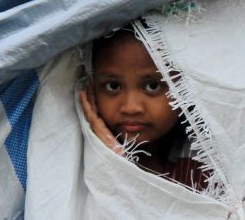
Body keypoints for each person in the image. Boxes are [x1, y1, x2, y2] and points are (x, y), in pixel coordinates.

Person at [79, 27, 209, 192]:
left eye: (152, 86)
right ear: (91, 90)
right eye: (113, 86)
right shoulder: (76, 167)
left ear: (184, 87)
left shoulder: (203, 168)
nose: (131, 108)